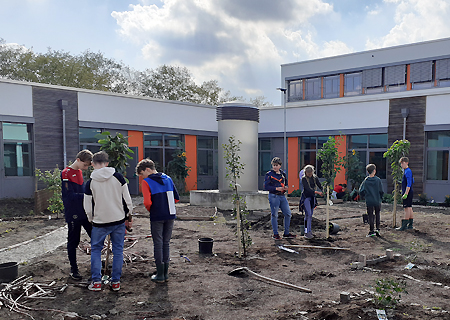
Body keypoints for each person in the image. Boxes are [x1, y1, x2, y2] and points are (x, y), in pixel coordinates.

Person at [84, 151, 133, 291]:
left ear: (93, 164)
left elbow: (87, 206)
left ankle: (96, 282)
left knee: (96, 250)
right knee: (118, 251)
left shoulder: (90, 182)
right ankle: (116, 282)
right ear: (107, 163)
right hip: (118, 220)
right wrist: (129, 216)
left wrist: (91, 219)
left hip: (99, 222)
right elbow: (128, 200)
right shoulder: (118, 178)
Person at [136, 158, 179, 283]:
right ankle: (165, 273)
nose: (142, 178)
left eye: (142, 174)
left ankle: (160, 274)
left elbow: (147, 202)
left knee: (158, 243)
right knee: (166, 243)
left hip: (157, 215)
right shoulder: (168, 178)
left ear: (147, 170)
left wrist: (153, 209)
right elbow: (176, 198)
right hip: (170, 214)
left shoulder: (147, 182)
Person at [61, 149, 93, 281]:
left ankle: (96, 265)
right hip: (73, 212)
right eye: (85, 165)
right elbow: (69, 196)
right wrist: (87, 196)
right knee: (73, 241)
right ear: (78, 160)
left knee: (95, 236)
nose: (86, 168)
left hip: (84, 211)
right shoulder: (66, 173)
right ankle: (74, 269)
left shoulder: (79, 172)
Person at [264, 157, 296, 240]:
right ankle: (276, 234)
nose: (275, 167)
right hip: (274, 196)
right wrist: (277, 189)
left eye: (276, 165)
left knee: (288, 214)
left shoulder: (283, 174)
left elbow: (286, 183)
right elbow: (266, 186)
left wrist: (286, 187)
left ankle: (286, 233)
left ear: (280, 165)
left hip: (282, 196)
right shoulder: (269, 174)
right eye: (274, 165)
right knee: (274, 215)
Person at [359, 164, 384, 237]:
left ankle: (371, 230)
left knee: (370, 215)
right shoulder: (378, 180)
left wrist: (364, 196)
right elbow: (381, 191)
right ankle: (378, 229)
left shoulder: (366, 181)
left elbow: (361, 191)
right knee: (377, 214)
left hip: (369, 201)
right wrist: (380, 198)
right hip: (377, 200)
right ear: (374, 171)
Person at [301, 165, 323, 239]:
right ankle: (307, 231)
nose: (309, 175)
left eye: (310, 173)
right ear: (306, 172)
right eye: (308, 173)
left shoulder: (315, 178)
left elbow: (319, 184)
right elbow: (307, 189)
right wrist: (317, 192)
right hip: (306, 198)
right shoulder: (304, 179)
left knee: (310, 215)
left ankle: (309, 231)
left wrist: (324, 190)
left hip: (312, 198)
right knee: (308, 214)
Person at [397, 157, 414, 231]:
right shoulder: (407, 171)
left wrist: (406, 193)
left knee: (406, 208)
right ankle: (410, 225)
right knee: (409, 207)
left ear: (406, 163)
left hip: (407, 192)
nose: (401, 165)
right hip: (410, 191)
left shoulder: (407, 171)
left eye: (402, 163)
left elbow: (409, 183)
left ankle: (404, 226)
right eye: (401, 163)